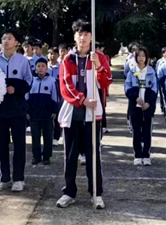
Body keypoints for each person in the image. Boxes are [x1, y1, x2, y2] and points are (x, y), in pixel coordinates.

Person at [55, 20, 112, 210]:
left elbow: (106, 82)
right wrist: (82, 100)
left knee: (93, 155)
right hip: (72, 114)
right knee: (70, 156)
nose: (83, 37)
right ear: (74, 37)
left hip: (92, 116)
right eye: (79, 34)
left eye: (86, 34)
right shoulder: (67, 59)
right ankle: (69, 192)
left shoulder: (99, 57)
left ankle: (96, 193)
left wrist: (99, 68)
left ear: (91, 37)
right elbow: (65, 86)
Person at [0, 29, 33, 192]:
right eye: (3, 38)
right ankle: (4, 178)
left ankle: (18, 179)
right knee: (1, 144)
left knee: (19, 144)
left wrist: (16, 89)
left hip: (17, 108)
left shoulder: (22, 61)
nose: (5, 41)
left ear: (16, 42)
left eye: (9, 38)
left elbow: (29, 81)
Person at [124, 46, 157, 166]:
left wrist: (148, 102)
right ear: (136, 57)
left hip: (147, 106)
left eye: (143, 56)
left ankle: (146, 155)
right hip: (135, 105)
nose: (141, 58)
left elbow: (154, 89)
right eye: (139, 56)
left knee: (147, 131)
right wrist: (135, 98)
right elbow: (127, 88)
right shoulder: (132, 71)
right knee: (136, 131)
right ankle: (137, 155)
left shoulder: (151, 71)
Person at [28, 58, 59, 165]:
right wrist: (27, 111)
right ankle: (36, 156)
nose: (40, 68)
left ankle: (46, 156)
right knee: (35, 136)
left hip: (47, 114)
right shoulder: (31, 80)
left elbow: (55, 97)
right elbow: (27, 97)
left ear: (47, 68)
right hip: (34, 114)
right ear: (35, 68)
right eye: (38, 66)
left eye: (43, 66)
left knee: (47, 136)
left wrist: (55, 111)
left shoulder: (52, 81)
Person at [95, 42, 111, 134]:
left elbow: (107, 76)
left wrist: (99, 66)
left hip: (99, 87)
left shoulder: (101, 57)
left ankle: (102, 126)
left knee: (101, 106)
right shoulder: (74, 57)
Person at [48, 47, 62, 146]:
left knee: (57, 116)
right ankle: (48, 136)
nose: (52, 56)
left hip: (59, 96)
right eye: (50, 54)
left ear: (58, 55)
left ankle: (56, 137)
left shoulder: (61, 67)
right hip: (46, 95)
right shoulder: (44, 67)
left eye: (54, 54)